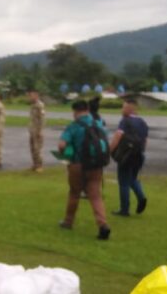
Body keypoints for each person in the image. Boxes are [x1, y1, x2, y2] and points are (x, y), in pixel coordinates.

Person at [57, 100, 110, 240]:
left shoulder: (73, 126)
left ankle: (68, 221)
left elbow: (62, 145)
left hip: (77, 164)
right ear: (87, 109)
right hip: (96, 165)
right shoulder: (98, 124)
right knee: (95, 195)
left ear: (75, 111)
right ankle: (103, 224)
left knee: (74, 193)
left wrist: (65, 151)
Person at [109, 98, 149, 216]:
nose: (122, 109)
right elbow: (145, 140)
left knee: (123, 182)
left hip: (126, 156)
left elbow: (118, 136)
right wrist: (141, 152)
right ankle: (141, 197)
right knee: (132, 178)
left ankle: (124, 209)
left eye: (124, 107)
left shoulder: (125, 121)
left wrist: (109, 150)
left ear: (130, 109)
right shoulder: (143, 122)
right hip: (138, 155)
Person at [28, 89, 45, 172]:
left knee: (37, 148)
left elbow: (42, 119)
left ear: (36, 95)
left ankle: (39, 165)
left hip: (37, 130)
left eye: (31, 95)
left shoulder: (40, 105)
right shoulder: (33, 105)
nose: (29, 97)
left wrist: (40, 131)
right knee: (32, 148)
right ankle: (35, 164)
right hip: (32, 130)